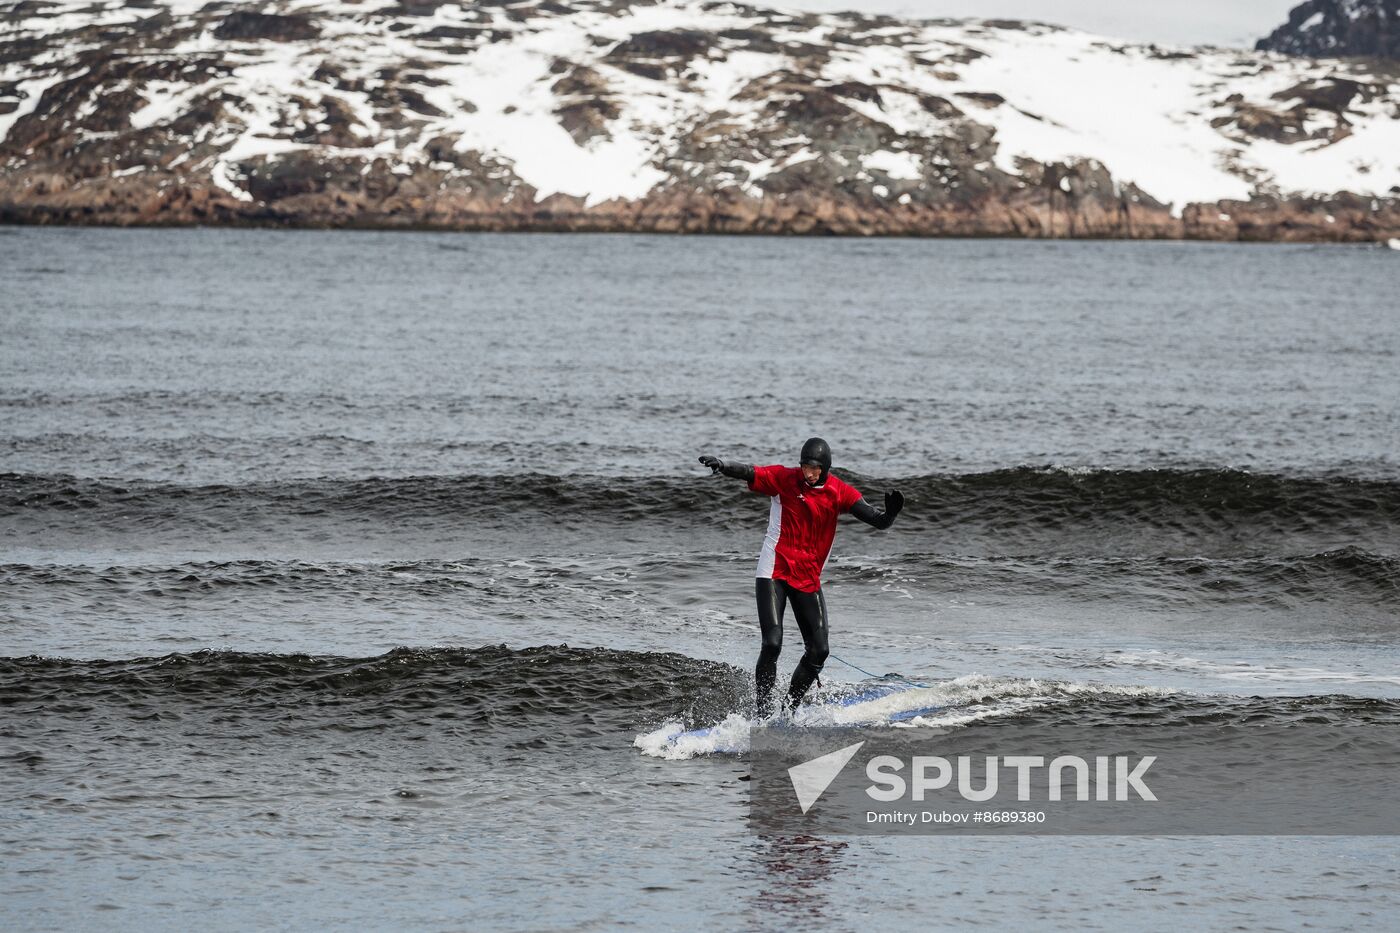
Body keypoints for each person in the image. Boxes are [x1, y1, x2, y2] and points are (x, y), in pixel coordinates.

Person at [699, 437, 904, 717]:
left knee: (819, 651)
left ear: (825, 468)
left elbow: (877, 521)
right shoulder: (785, 479)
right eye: (805, 467)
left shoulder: (839, 492)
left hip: (807, 578)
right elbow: (750, 471)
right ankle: (762, 715)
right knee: (772, 643)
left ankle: (788, 711)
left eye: (814, 468)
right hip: (774, 570)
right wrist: (723, 465)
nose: (808, 473)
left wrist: (890, 515)